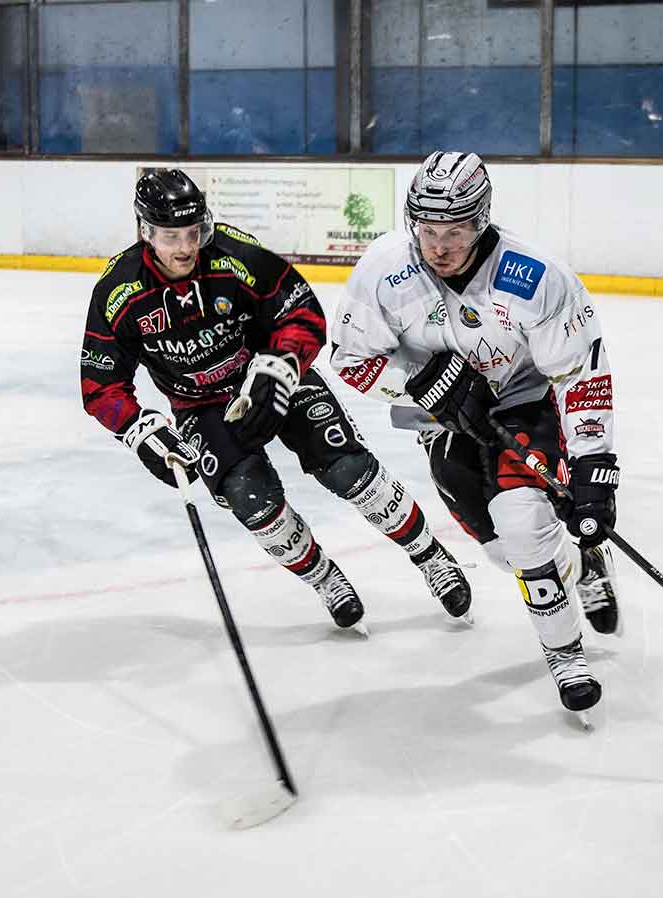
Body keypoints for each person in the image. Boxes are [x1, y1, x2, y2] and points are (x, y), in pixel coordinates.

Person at [80, 168, 471, 631]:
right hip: (200, 408)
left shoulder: (234, 255)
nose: (185, 247)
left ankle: (429, 556)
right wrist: (139, 429)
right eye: (171, 236)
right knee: (250, 498)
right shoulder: (119, 291)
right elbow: (101, 383)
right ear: (145, 232)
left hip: (272, 374)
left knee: (347, 466)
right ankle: (325, 580)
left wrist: (281, 363)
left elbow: (301, 310)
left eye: (192, 232)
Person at [329, 151, 622, 719]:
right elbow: (349, 360)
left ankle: (565, 655)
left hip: (523, 407)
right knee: (500, 553)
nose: (439, 246)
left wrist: (592, 466)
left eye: (456, 231)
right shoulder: (385, 268)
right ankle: (585, 567)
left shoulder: (534, 276)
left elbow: (582, 374)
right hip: (442, 427)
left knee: (526, 531)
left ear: (481, 220)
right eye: (428, 230)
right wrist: (416, 386)